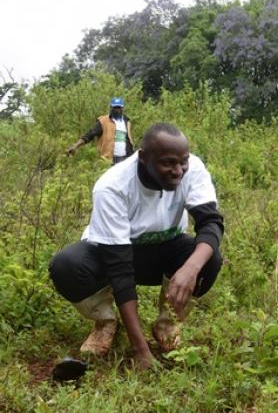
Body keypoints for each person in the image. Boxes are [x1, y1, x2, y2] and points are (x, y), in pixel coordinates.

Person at [50, 123, 224, 369]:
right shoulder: (112, 186)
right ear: (143, 158)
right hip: (111, 255)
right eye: (168, 163)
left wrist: (190, 268)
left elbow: (211, 223)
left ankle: (168, 324)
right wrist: (140, 350)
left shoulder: (191, 169)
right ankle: (106, 323)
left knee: (209, 257)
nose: (178, 171)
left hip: (164, 250)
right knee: (67, 266)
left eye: (182, 162)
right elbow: (120, 270)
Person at [67, 97, 135, 164]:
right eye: (115, 107)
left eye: (119, 107)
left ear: (122, 108)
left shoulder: (126, 121)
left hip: (126, 159)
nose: (117, 110)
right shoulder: (103, 121)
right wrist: (75, 146)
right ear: (111, 108)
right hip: (109, 160)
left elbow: (129, 139)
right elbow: (89, 135)